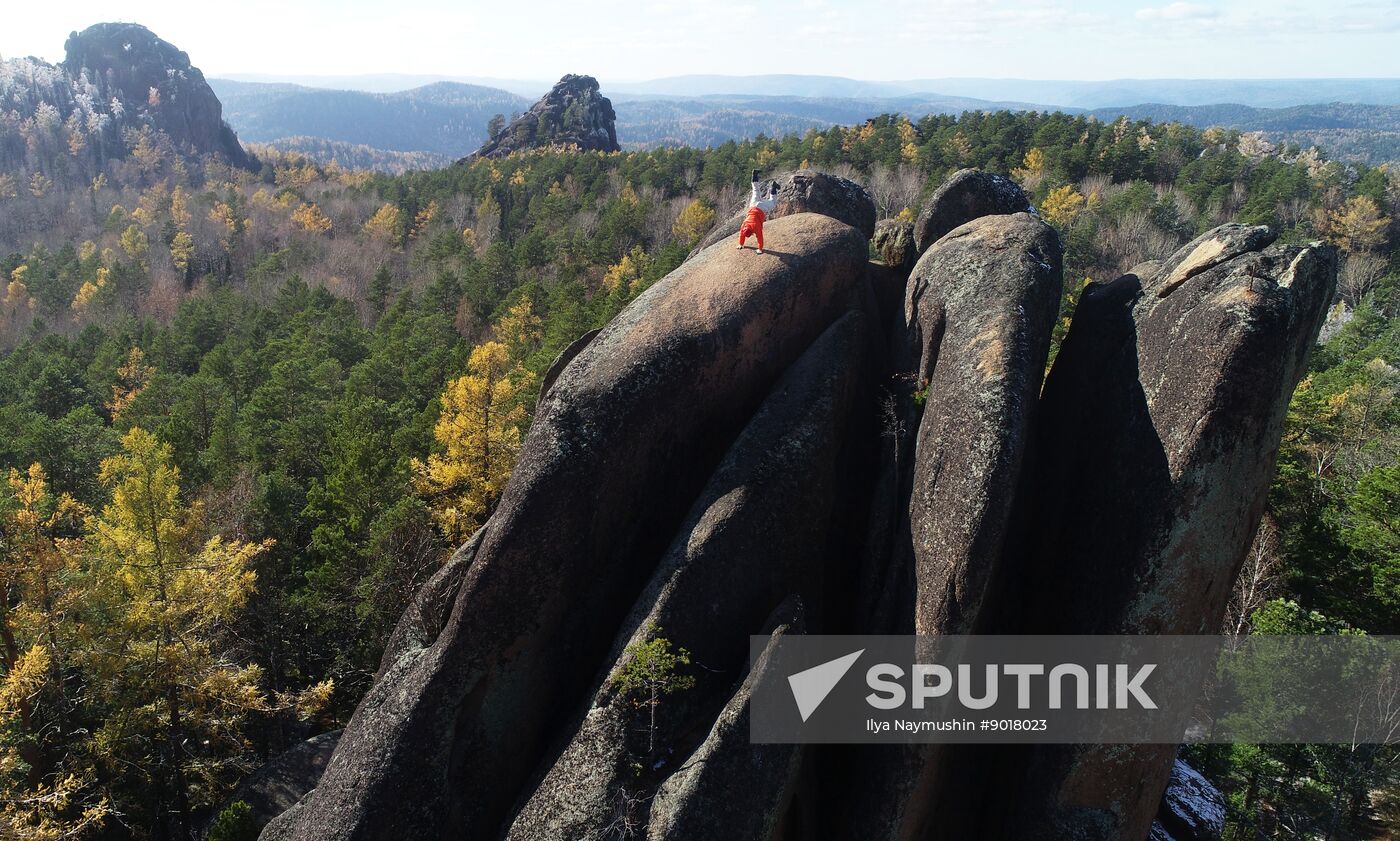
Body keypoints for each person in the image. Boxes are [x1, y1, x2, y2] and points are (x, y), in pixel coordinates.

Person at [738, 169, 780, 254]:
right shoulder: (744, 225)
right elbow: (741, 234)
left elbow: (759, 237)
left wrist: (760, 249)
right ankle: (755, 174)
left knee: (773, 203)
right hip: (753, 204)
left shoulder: (755, 227)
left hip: (761, 208)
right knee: (755, 190)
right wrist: (740, 244)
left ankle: (774, 187)